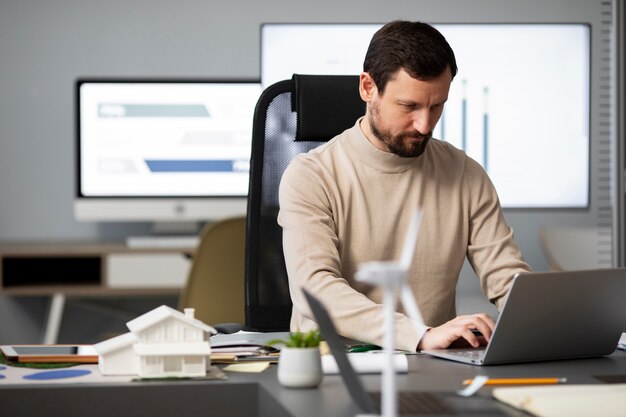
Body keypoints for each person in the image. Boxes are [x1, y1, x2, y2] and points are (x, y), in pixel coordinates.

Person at [278, 20, 531, 352]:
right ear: (368, 88)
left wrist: (546, 321)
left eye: (436, 105)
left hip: (434, 365)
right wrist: (420, 335)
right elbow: (315, 289)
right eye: (409, 106)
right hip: (338, 366)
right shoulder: (311, 175)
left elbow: (506, 276)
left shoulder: (465, 173)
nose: (425, 124)